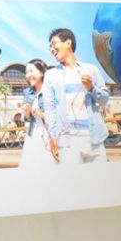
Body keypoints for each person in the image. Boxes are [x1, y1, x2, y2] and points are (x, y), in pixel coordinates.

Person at [43, 28, 110, 165]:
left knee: (100, 177)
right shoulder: (50, 75)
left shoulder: (91, 70)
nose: (51, 49)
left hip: (94, 138)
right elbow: (49, 110)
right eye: (49, 47)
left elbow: (104, 100)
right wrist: (53, 138)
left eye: (54, 44)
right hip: (67, 142)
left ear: (68, 43)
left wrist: (91, 88)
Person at [19, 59, 57, 166]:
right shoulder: (27, 92)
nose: (28, 75)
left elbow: (58, 115)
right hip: (33, 135)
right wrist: (27, 113)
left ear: (42, 72)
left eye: (31, 71)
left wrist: (42, 115)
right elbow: (27, 118)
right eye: (26, 72)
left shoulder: (51, 90)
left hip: (49, 135)